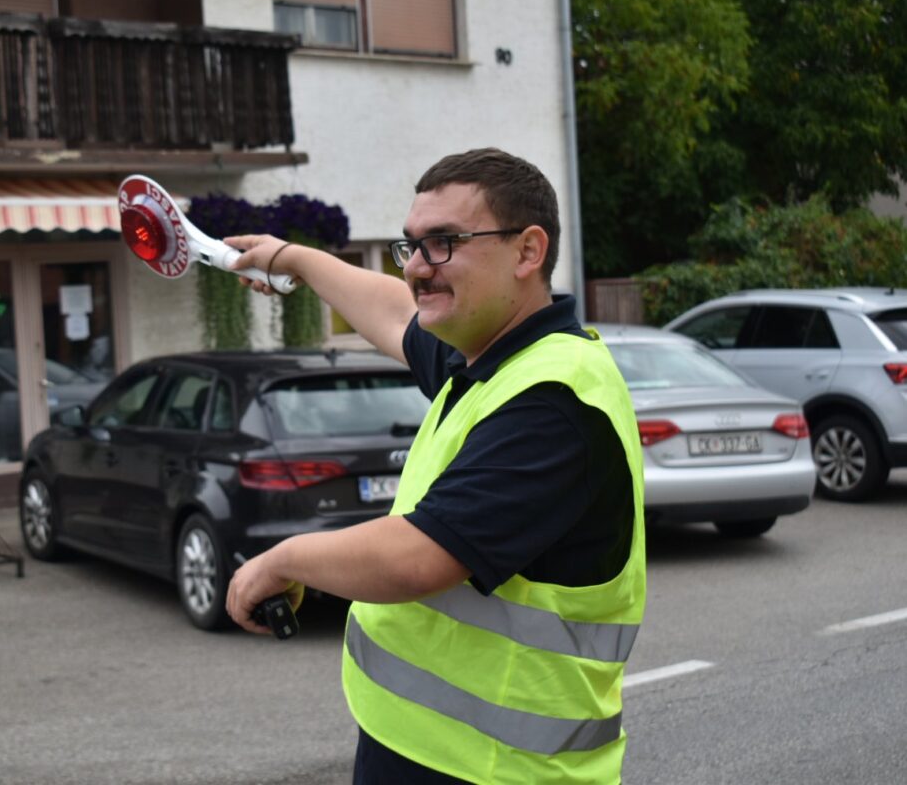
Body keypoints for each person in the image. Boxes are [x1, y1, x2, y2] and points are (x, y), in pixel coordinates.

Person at [223, 147, 645, 785]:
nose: (419, 267)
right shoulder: (489, 358)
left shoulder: (554, 401)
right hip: (428, 751)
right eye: (411, 245)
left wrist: (281, 559)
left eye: (444, 242)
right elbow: (394, 312)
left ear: (528, 252)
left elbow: (418, 557)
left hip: (499, 770)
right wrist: (293, 258)